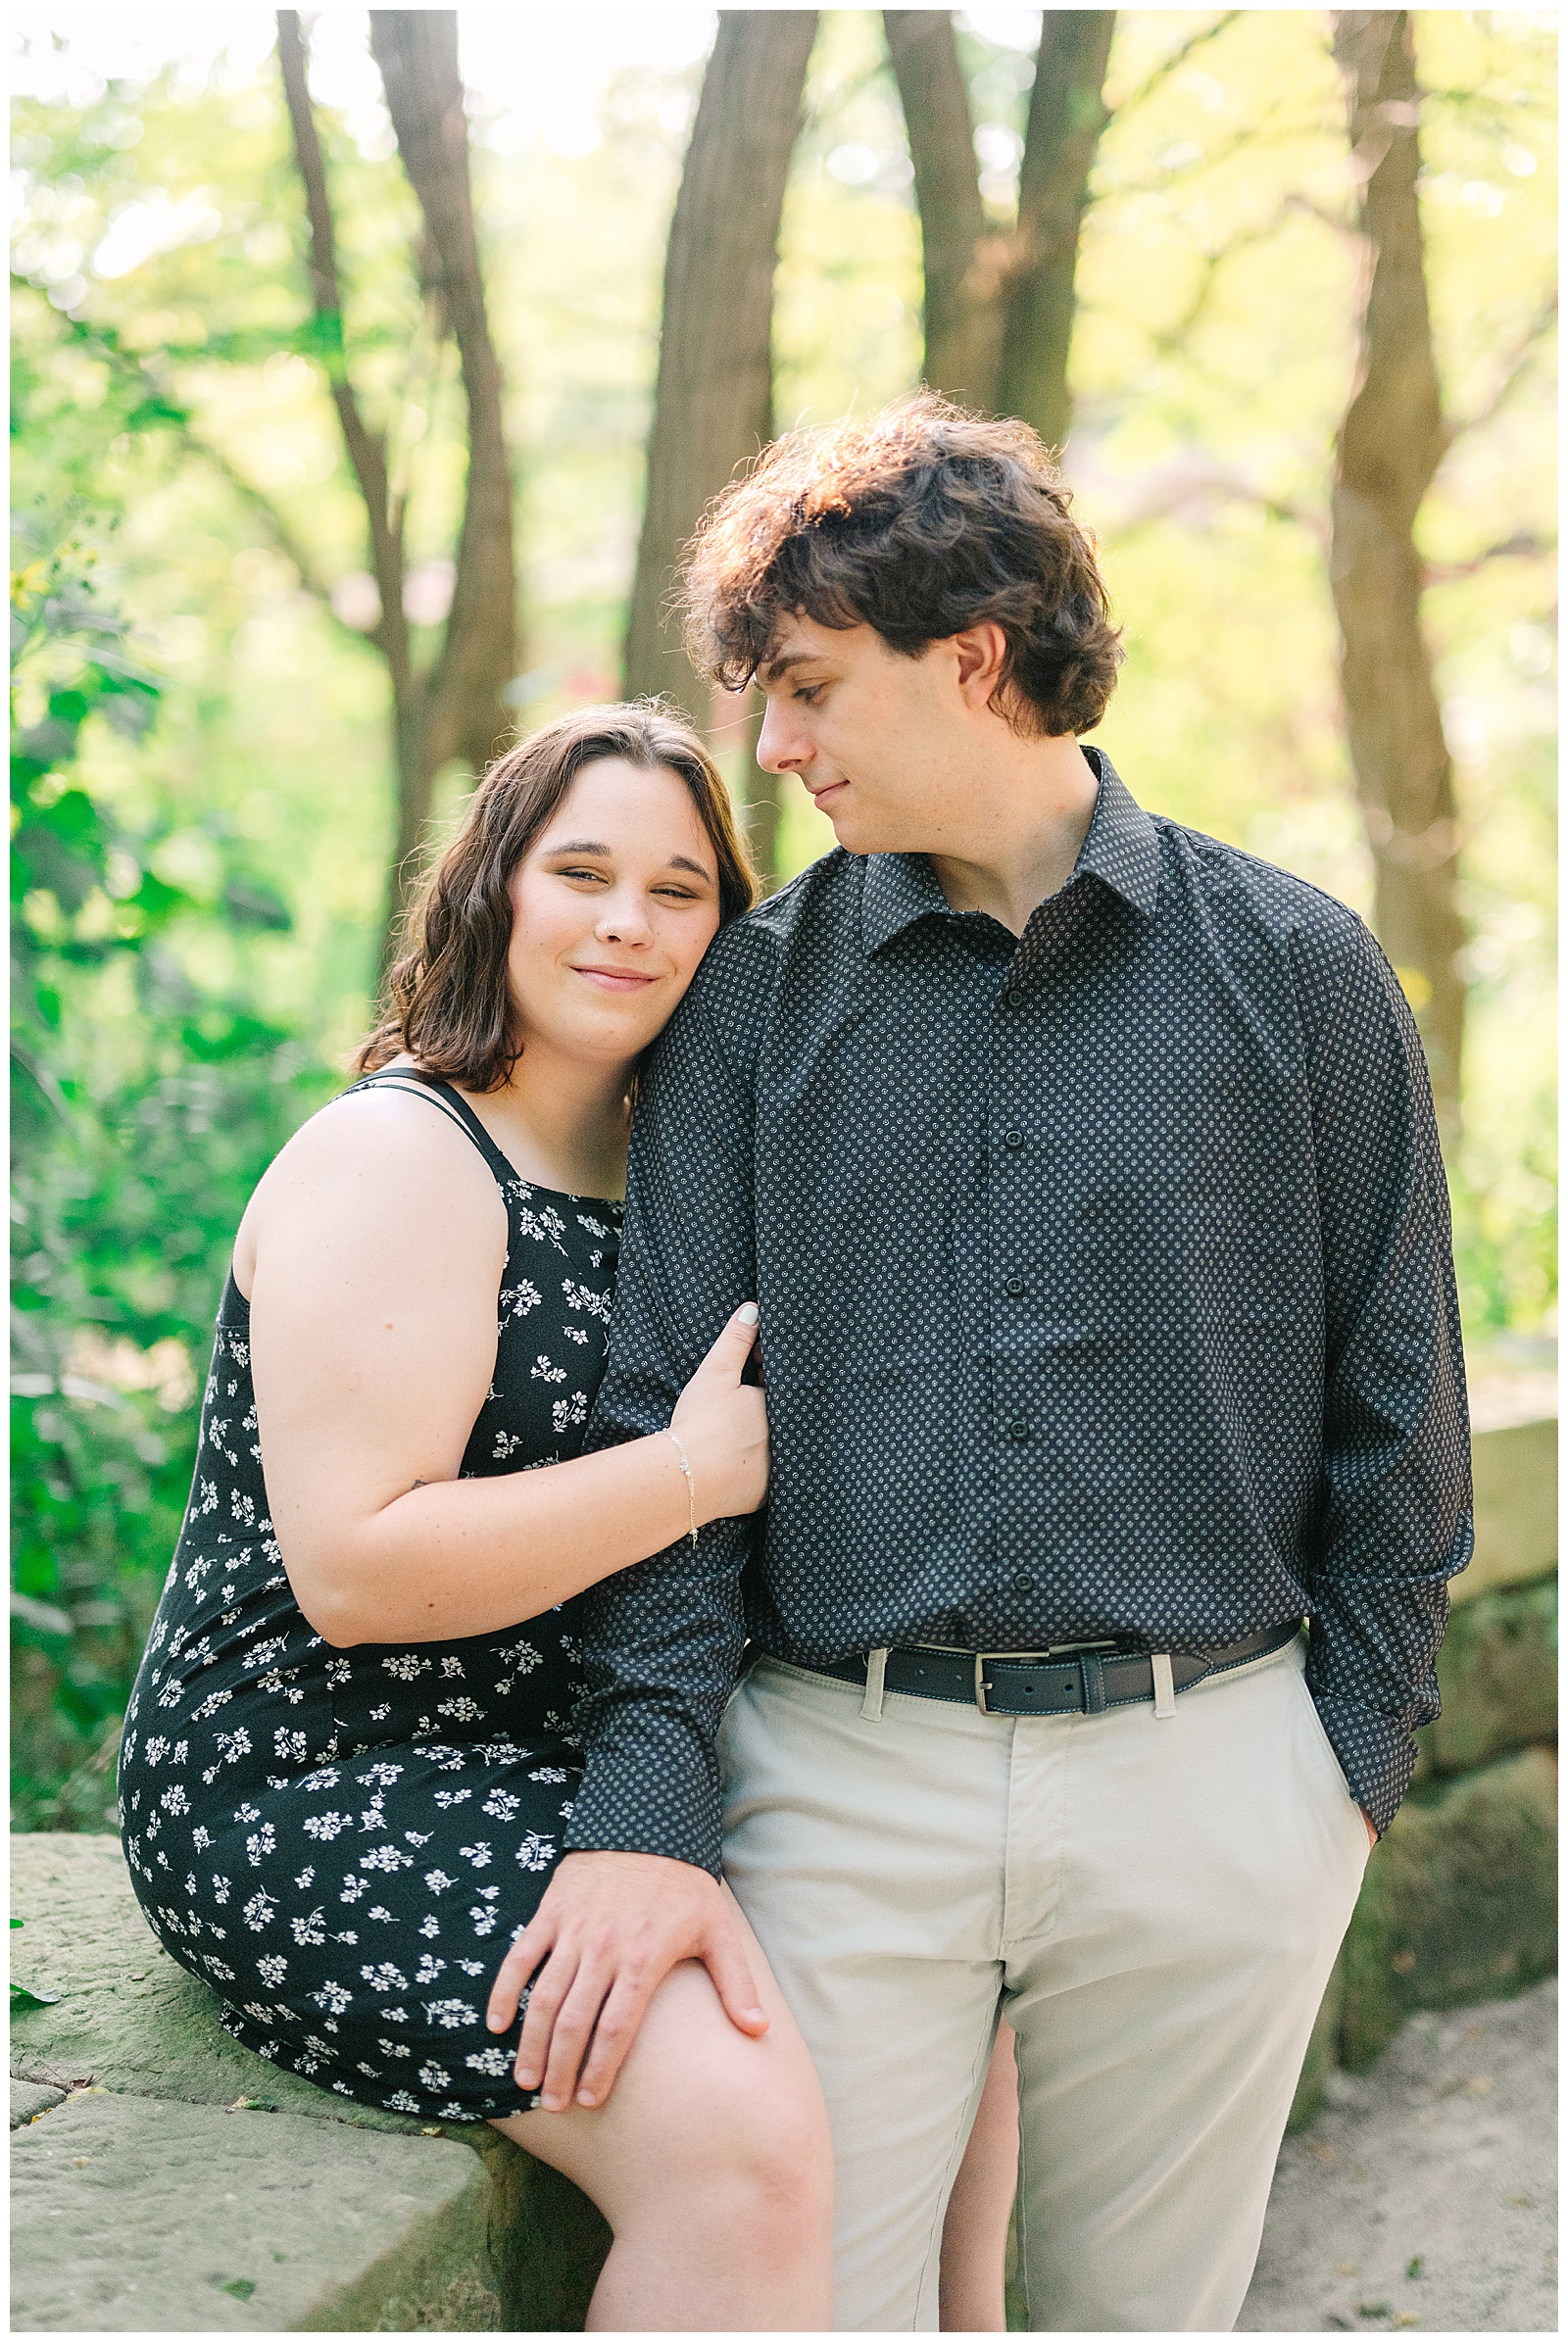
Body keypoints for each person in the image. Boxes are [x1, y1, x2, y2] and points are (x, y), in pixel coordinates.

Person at [488, 396, 1473, 2332]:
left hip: (1217, 1785)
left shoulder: (1297, 971)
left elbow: (1396, 1403)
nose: (767, 746)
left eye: (807, 688)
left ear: (975, 658)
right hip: (838, 1784)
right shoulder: (751, 1000)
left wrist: (1332, 1779)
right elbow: (658, 1428)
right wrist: (649, 1802)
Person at [117, 707, 837, 2333]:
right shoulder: (401, 1155)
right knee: (742, 2146)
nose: (626, 922)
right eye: (579, 870)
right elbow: (356, 1569)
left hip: (564, 1751)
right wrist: (688, 1474)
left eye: (679, 889)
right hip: (316, 1768)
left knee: (943, 1980)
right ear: (494, 890)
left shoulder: (683, 1168)